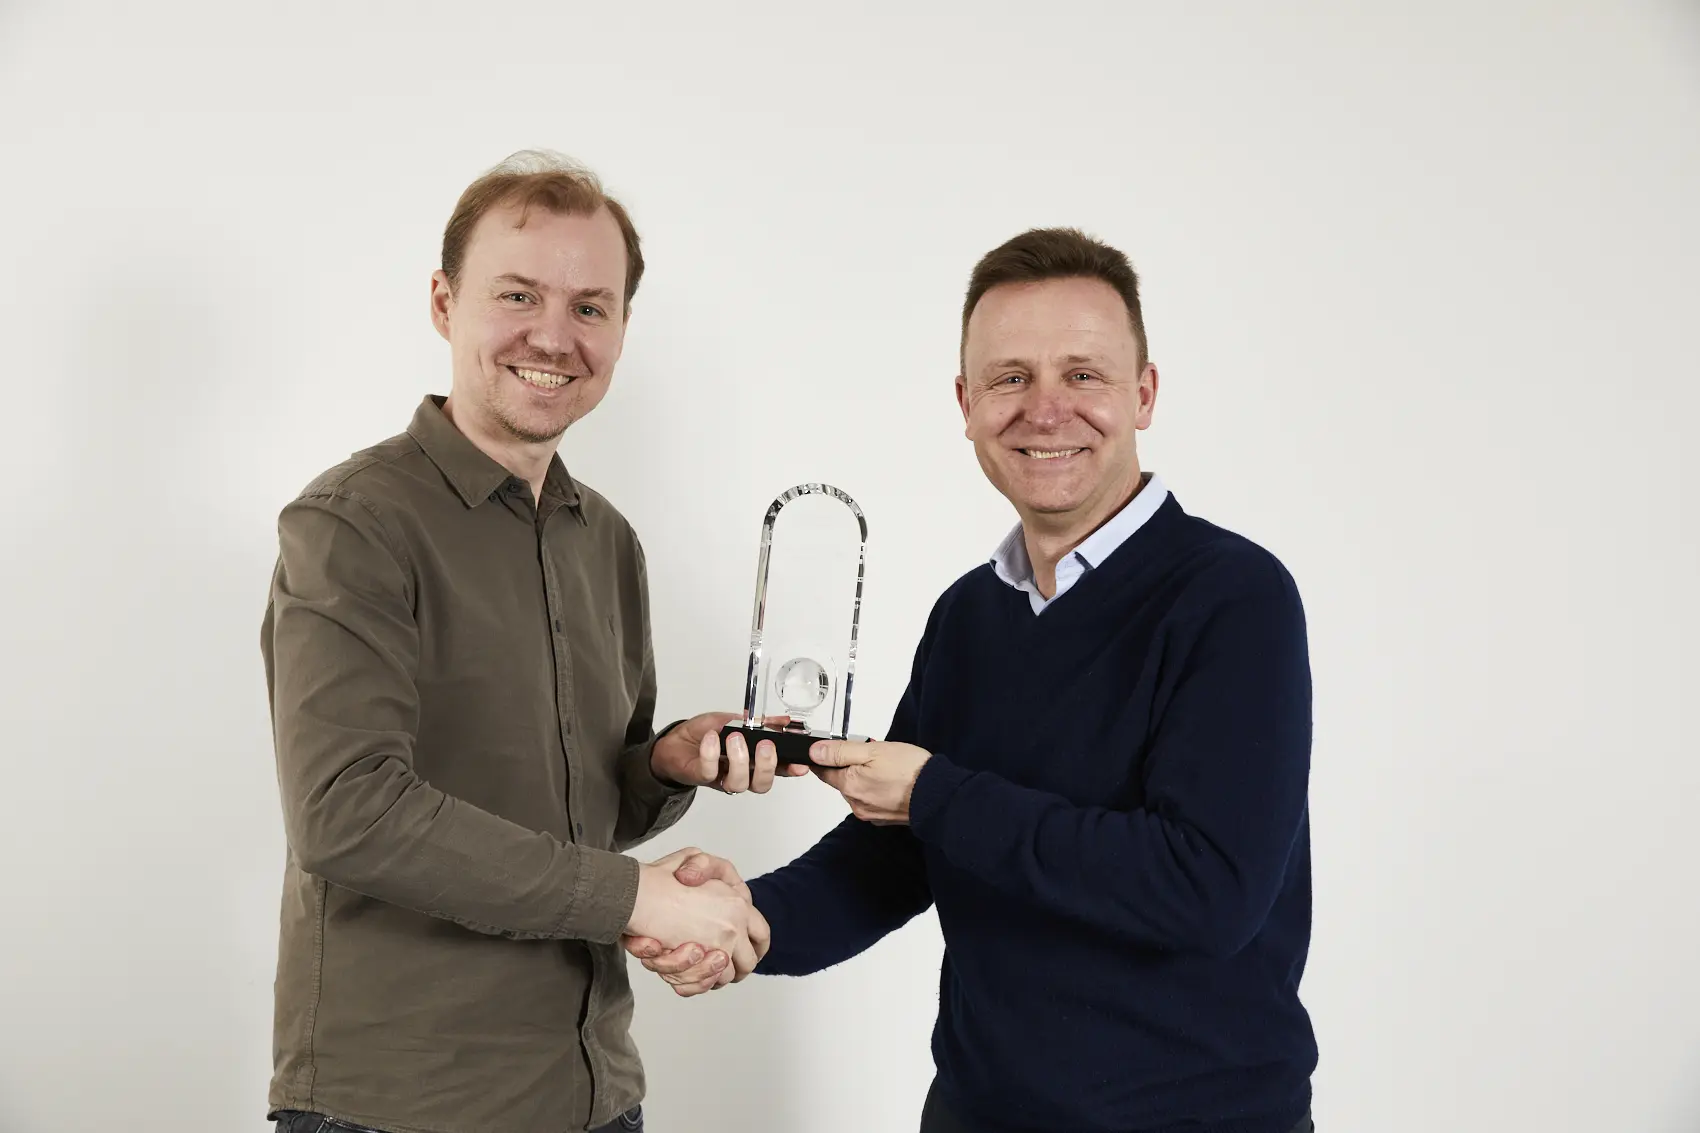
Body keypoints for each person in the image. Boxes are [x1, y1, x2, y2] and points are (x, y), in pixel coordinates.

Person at [628, 228, 1319, 1133]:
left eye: (1083, 374)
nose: (1046, 409)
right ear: (966, 402)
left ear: (1143, 394)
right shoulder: (968, 615)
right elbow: (896, 857)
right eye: (1010, 377)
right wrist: (749, 921)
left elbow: (1207, 892)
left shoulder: (1233, 597)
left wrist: (933, 792)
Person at [260, 150, 793, 1133]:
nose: (554, 335)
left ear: (621, 329)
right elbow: (346, 812)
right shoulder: (354, 523)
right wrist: (637, 896)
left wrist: (665, 763)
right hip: (402, 1105)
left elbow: (582, 818)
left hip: (595, 1091)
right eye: (518, 294)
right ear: (443, 302)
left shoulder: (609, 540)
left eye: (590, 306)